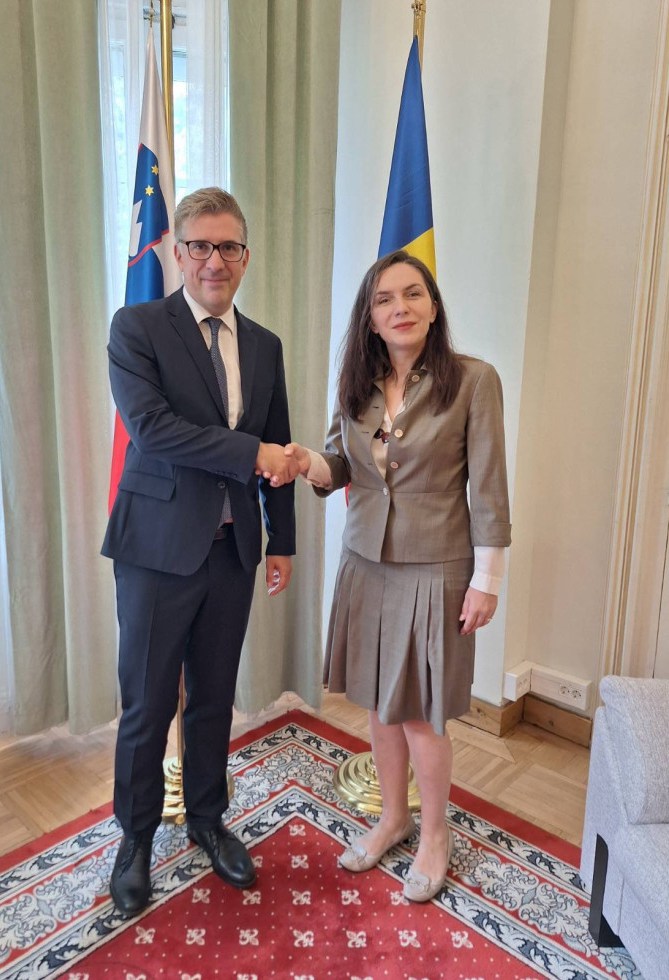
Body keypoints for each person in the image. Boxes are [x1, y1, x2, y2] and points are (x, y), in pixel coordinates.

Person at [284, 250, 511, 902]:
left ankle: (435, 833)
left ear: (431, 306)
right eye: (384, 299)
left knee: (419, 716)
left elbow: (489, 490)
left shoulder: (473, 380)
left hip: (433, 567)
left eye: (412, 294)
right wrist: (306, 462)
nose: (399, 308)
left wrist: (486, 579)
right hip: (364, 565)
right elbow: (339, 467)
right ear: (371, 317)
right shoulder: (355, 383)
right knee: (377, 707)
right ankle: (392, 817)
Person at [102, 187, 298, 916]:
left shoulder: (266, 345)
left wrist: (281, 539)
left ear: (245, 255)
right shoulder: (138, 327)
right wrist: (255, 452)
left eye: (230, 247)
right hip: (154, 548)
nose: (216, 260)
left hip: (232, 549)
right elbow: (153, 431)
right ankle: (136, 838)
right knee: (148, 704)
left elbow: (279, 445)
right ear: (177, 251)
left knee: (213, 696)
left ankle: (208, 819)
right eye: (201, 245)